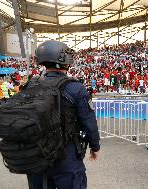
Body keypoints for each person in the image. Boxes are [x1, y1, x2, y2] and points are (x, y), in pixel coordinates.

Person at [32, 40, 100, 189]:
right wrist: (95, 146)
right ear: (64, 60)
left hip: (37, 155)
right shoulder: (75, 88)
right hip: (66, 155)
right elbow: (89, 122)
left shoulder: (31, 85)